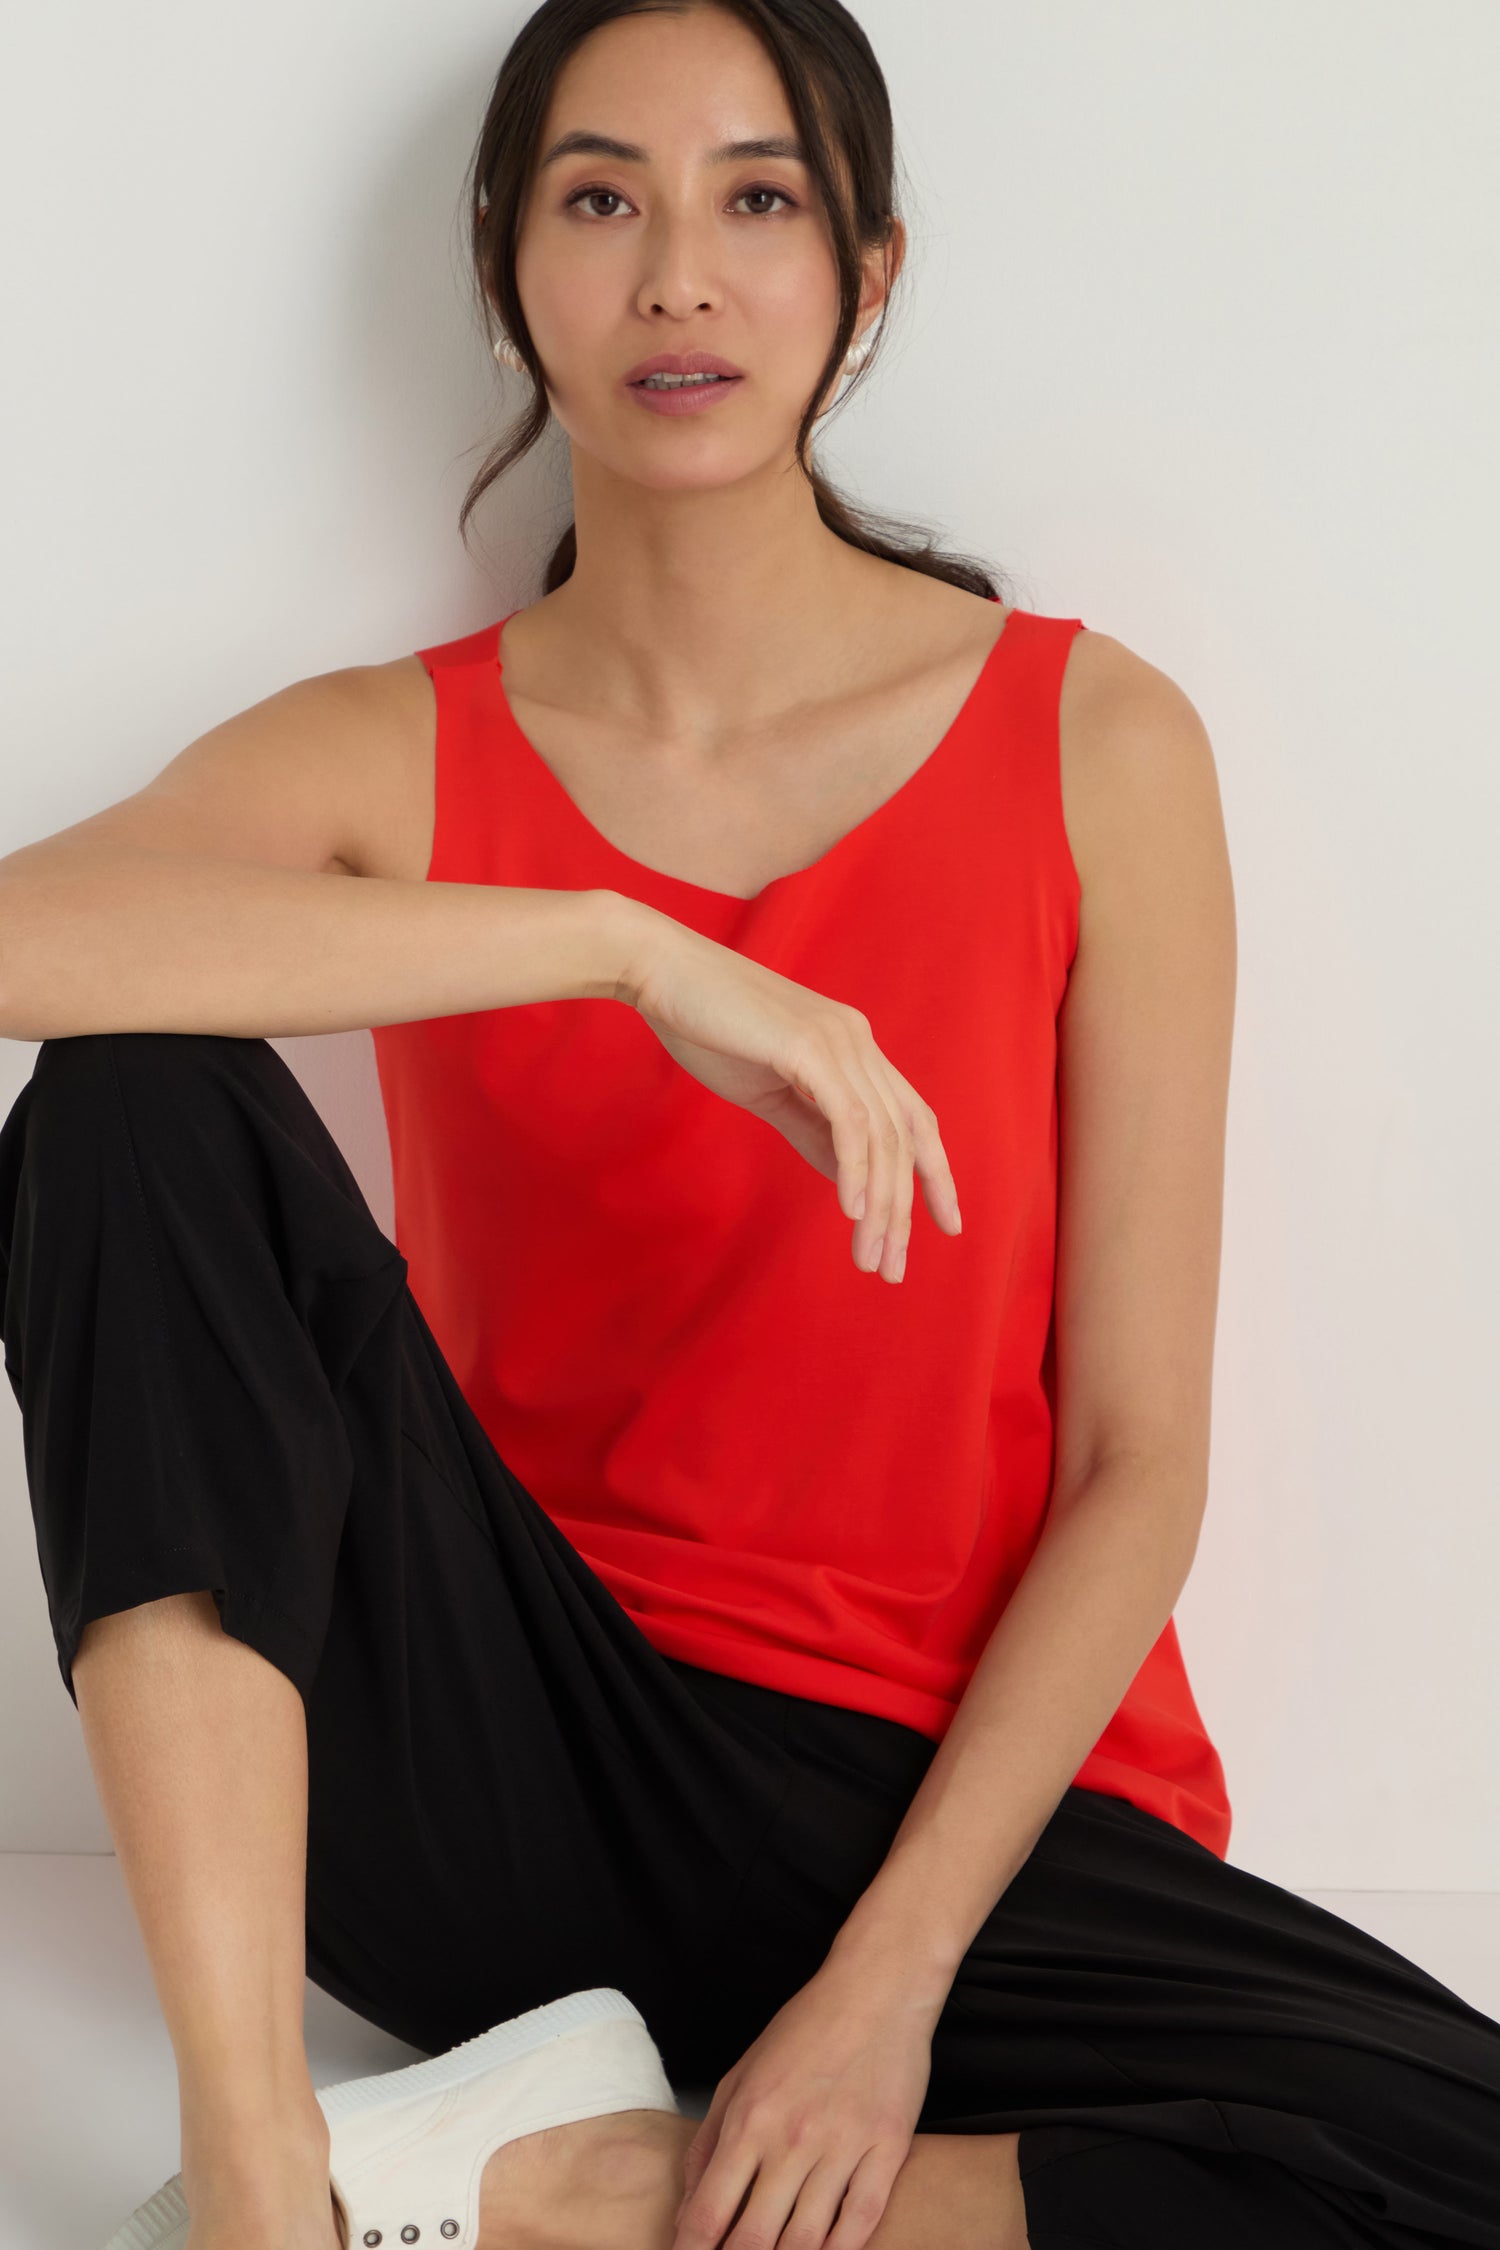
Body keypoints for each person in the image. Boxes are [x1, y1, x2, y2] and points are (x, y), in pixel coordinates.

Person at [2, 3, 1498, 2247]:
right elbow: (33, 947)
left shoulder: (1091, 742)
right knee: (132, 1098)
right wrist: (615, 942)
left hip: (962, 1811)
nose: (677, 275)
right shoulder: (397, 753)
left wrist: (885, 1985)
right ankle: (254, 2177)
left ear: (867, 274)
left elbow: (1137, 1462)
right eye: (601, 199)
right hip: (525, 1752)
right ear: (512, 265)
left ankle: (584, 2195)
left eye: (757, 199)